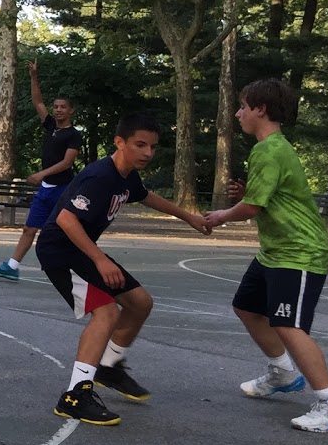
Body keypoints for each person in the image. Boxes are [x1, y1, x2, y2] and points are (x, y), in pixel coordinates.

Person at [37, 113, 210, 426]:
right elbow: (65, 219)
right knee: (106, 313)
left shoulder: (126, 174)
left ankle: (108, 365)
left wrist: (189, 217)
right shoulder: (100, 176)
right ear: (120, 142)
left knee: (140, 302)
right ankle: (75, 396)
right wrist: (101, 260)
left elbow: (146, 197)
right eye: (140, 145)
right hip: (60, 252)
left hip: (82, 250)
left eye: (153, 147)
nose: (147, 152)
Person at [202, 80, 328, 433]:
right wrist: (245, 193)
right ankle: (283, 372)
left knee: (288, 324)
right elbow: (262, 196)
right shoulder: (271, 150)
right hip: (275, 251)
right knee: (247, 307)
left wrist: (220, 216)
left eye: (242, 106)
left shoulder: (270, 150)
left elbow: (252, 207)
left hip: (299, 252)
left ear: (261, 110)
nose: (238, 113)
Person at [0, 61, 83, 280]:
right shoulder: (50, 126)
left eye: (63, 107)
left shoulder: (74, 135)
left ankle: (81, 267)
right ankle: (11, 267)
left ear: (71, 110)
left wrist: (42, 174)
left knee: (65, 231)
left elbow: (67, 163)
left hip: (63, 189)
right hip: (46, 190)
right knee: (30, 228)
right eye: (56, 106)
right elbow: (38, 102)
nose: (58, 110)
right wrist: (33, 76)